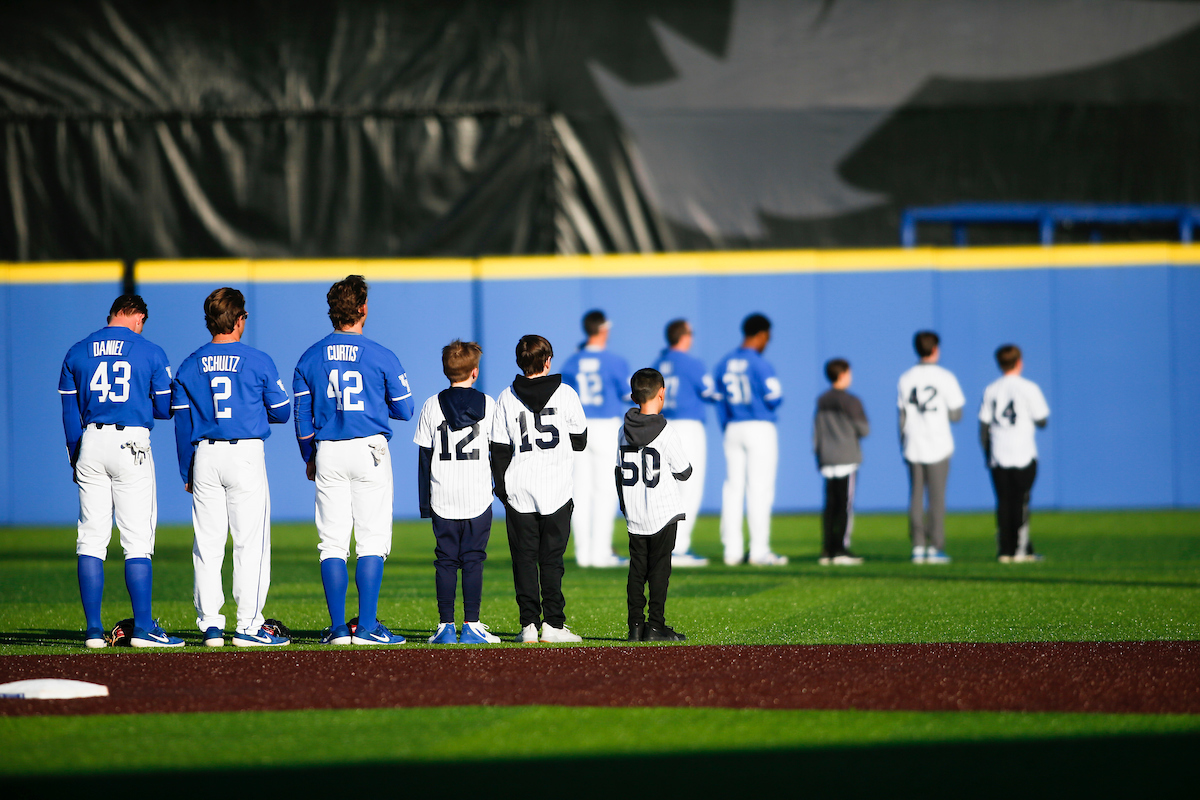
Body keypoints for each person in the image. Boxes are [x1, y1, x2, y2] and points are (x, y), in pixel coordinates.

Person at [293, 275, 415, 645]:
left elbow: (301, 419)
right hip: (369, 450)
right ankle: (365, 627)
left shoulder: (310, 356)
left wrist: (309, 457)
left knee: (332, 543)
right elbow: (406, 409)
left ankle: (336, 629)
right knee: (371, 541)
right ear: (362, 308)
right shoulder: (381, 354)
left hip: (328, 449)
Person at [58, 294, 183, 648]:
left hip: (91, 442)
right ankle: (143, 628)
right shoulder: (150, 350)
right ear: (138, 317)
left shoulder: (78, 350)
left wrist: (74, 457)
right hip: (132, 443)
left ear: (112, 314)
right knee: (137, 540)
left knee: (91, 538)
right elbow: (163, 408)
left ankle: (94, 631)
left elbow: (69, 414)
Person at [170, 288, 291, 647]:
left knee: (207, 544)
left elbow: (180, 423)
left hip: (204, 454)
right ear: (239, 319)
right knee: (249, 543)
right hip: (244, 455)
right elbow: (282, 411)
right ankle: (249, 626)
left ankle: (210, 625)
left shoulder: (190, 363)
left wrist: (185, 470)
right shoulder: (257, 360)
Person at [490, 334, 588, 643]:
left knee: (523, 560)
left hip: (519, 487)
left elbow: (499, 449)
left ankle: (528, 626)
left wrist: (503, 490)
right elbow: (581, 440)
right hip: (556, 487)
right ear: (548, 361)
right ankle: (554, 625)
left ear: (520, 362)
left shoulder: (507, 396)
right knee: (551, 561)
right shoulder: (566, 393)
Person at [414, 340, 502, 645]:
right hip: (478, 496)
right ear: (474, 372)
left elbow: (425, 458)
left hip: (442, 496)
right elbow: (498, 451)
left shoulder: (430, 405)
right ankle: (472, 625)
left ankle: (445, 626)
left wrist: (425, 504)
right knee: (474, 560)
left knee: (446, 561)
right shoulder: (489, 405)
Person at [616, 368, 692, 642]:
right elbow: (684, 471)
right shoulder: (666, 431)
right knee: (659, 570)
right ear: (661, 393)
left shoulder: (622, 431)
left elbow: (618, 472)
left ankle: (635, 626)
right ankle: (656, 625)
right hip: (662, 511)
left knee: (637, 570)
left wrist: (626, 507)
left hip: (635, 513)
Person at [713, 313, 787, 566]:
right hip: (759, 426)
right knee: (759, 489)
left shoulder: (724, 362)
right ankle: (759, 550)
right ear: (762, 334)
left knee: (733, 489)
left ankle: (731, 551)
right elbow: (775, 398)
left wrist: (727, 424)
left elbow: (718, 399)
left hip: (733, 426)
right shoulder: (759, 363)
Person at [560, 310, 630, 568]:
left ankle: (584, 553)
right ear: (603, 329)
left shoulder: (571, 362)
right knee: (604, 490)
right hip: (605, 426)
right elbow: (627, 394)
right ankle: (600, 554)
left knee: (579, 491)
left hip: (577, 428)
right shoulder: (614, 361)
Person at [897, 331, 965, 564]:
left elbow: (902, 415)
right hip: (939, 444)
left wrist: (902, 443)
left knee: (915, 497)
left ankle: (917, 546)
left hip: (913, 443)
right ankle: (935, 547)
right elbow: (956, 414)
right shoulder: (945, 377)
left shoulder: (906, 377)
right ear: (935, 349)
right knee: (936, 498)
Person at [654, 319, 717, 567]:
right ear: (684, 336)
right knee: (688, 486)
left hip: (662, 426)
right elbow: (711, 392)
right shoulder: (691, 363)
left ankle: (663, 546)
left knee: (664, 488)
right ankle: (678, 549)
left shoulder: (659, 363)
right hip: (688, 426)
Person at [980, 344, 1050, 563]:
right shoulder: (1029, 388)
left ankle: (1005, 550)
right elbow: (1042, 420)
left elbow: (983, 426)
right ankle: (1020, 550)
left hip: (999, 453)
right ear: (1019, 362)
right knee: (1021, 502)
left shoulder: (992, 389)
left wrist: (987, 454)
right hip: (1023, 454)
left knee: (1003, 503)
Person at [813, 358, 869, 565]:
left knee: (830, 506)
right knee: (845, 505)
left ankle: (827, 549)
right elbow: (864, 429)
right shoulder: (851, 401)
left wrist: (819, 453)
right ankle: (840, 549)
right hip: (846, 457)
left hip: (827, 457)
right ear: (843, 374)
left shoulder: (822, 400)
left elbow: (816, 432)